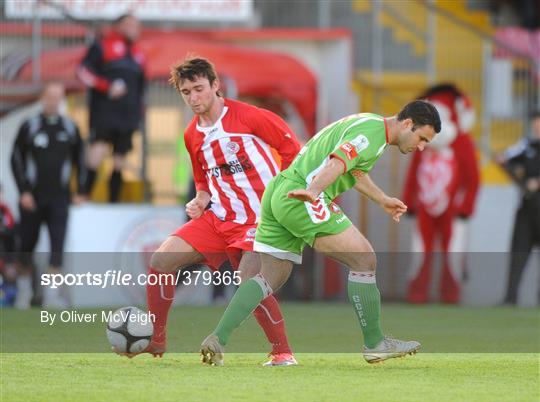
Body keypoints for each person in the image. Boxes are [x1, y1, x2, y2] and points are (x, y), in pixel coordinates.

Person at [200, 100, 441, 366]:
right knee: (365, 260)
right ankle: (375, 344)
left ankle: (217, 338)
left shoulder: (370, 124)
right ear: (407, 124)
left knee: (269, 276)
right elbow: (339, 161)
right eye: (422, 138)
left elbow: (353, 169)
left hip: (279, 191)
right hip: (303, 196)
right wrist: (314, 191)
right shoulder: (372, 135)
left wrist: (382, 199)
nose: (420, 147)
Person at [117, 57, 301, 366]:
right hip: (219, 219)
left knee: (249, 280)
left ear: (216, 86)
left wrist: (286, 196)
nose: (193, 98)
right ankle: (156, 340)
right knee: (161, 260)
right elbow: (203, 180)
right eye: (186, 92)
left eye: (199, 89)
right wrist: (200, 200)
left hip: (261, 218)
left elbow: (292, 151)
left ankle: (282, 352)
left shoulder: (249, 117)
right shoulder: (192, 135)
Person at [10, 82, 86, 309]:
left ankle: (52, 297)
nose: (54, 101)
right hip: (32, 198)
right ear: (43, 98)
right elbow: (16, 159)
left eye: (58, 97)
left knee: (57, 246)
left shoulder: (70, 128)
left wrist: (81, 191)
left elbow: (80, 161)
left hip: (59, 198)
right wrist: (23, 191)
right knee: (26, 245)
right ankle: (24, 294)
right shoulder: (30, 126)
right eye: (50, 97)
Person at [403, 84, 480, 304]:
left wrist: (466, 207)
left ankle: (451, 294)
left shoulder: (463, 143)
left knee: (453, 254)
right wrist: (409, 201)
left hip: (453, 209)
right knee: (419, 252)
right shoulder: (422, 142)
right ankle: (417, 294)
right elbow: (413, 174)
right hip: (424, 207)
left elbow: (472, 178)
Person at [77, 14, 146, 202]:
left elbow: (141, 88)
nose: (134, 28)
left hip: (128, 116)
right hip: (105, 113)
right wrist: (107, 86)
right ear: (118, 26)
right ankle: (84, 195)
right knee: (97, 151)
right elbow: (83, 71)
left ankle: (113, 202)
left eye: (136, 25)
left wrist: (140, 113)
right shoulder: (103, 45)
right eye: (129, 24)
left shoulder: (139, 53)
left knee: (120, 160)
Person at [500, 111, 540, 305]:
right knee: (518, 253)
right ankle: (510, 298)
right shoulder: (525, 145)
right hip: (527, 208)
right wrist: (521, 180)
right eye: (535, 123)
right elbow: (505, 160)